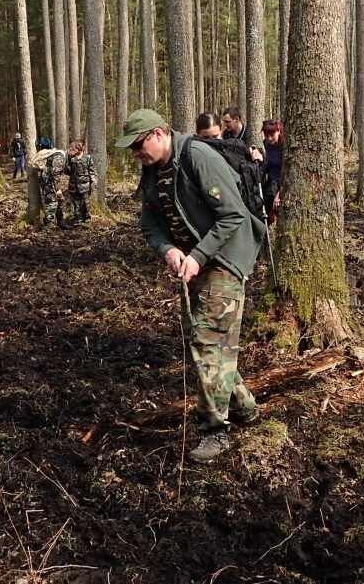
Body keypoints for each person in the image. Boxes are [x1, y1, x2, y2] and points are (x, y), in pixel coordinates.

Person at [116, 108, 265, 464]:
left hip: (225, 260)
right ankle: (244, 409)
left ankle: (215, 431)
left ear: (158, 133)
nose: (136, 154)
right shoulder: (151, 172)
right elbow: (149, 223)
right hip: (194, 266)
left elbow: (233, 215)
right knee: (207, 340)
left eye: (138, 146)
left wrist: (197, 256)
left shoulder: (198, 156)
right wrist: (168, 249)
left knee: (208, 341)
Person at [30, 136, 67, 228]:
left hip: (46, 180)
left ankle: (60, 221)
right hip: (48, 182)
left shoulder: (48, 154)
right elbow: (55, 172)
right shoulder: (56, 155)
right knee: (51, 202)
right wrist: (57, 188)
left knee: (59, 200)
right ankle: (48, 224)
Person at [62, 139, 96, 226]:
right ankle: (78, 219)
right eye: (78, 146)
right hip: (73, 185)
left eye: (81, 146)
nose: (79, 148)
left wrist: (93, 182)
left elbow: (92, 171)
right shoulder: (71, 158)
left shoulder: (87, 158)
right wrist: (67, 164)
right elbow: (67, 171)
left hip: (85, 185)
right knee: (76, 204)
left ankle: (87, 219)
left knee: (86, 203)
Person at [261, 119, 284, 223]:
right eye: (266, 135)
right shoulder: (266, 143)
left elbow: (288, 172)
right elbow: (269, 163)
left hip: (282, 182)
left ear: (278, 131)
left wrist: (279, 194)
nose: (269, 138)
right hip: (271, 180)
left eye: (272, 135)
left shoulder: (284, 145)